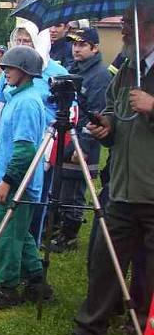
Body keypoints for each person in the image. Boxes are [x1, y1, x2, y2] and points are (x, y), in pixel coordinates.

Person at [62, 0, 154, 335]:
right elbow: (117, 112)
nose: (124, 32)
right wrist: (107, 127)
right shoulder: (128, 66)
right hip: (121, 185)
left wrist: (152, 106)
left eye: (131, 24)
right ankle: (90, 329)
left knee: (149, 273)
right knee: (105, 258)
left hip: (151, 189)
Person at [0, 46, 50, 309]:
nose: (5, 72)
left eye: (10, 68)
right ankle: (37, 279)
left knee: (4, 234)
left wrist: (7, 181)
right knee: (20, 233)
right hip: (13, 179)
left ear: (26, 71)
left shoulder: (27, 102)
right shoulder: (17, 96)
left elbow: (25, 149)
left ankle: (6, 288)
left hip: (18, 183)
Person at [48, 27, 111, 253]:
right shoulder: (73, 69)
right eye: (74, 44)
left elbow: (96, 114)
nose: (76, 48)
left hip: (83, 141)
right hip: (66, 136)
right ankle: (58, 226)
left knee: (74, 189)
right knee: (62, 185)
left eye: (82, 44)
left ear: (94, 48)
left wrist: (82, 146)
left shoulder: (100, 75)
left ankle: (70, 234)